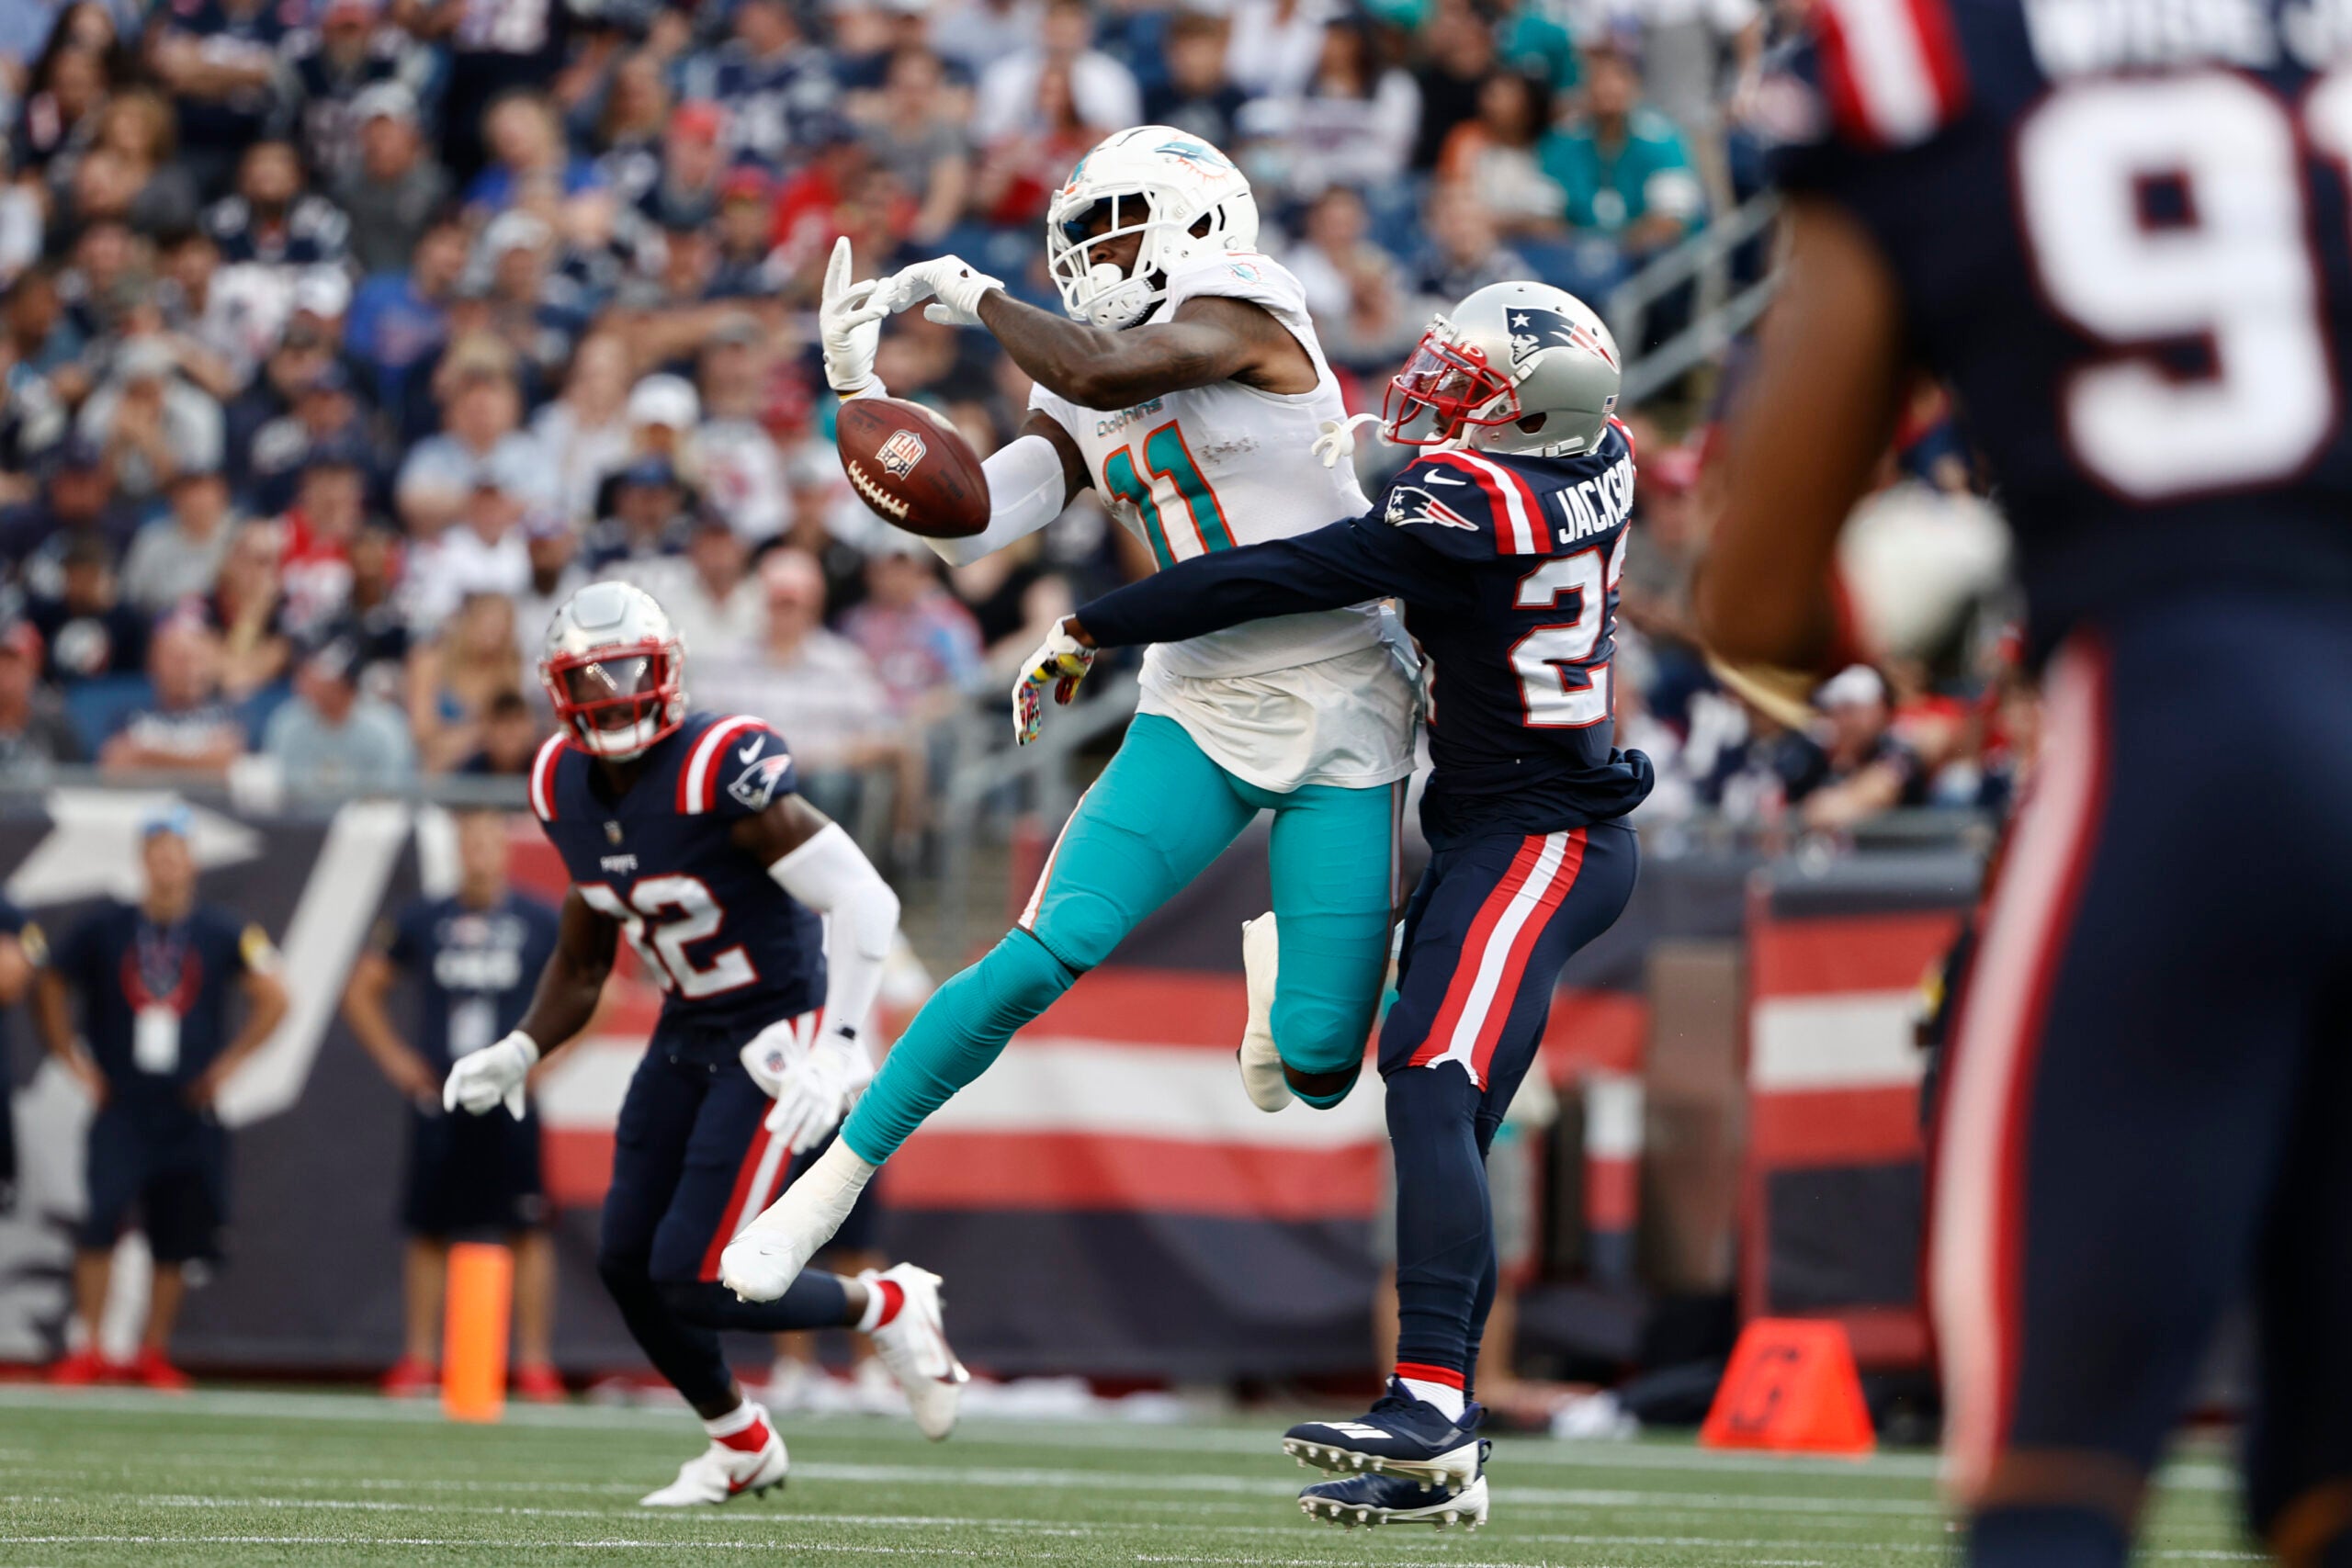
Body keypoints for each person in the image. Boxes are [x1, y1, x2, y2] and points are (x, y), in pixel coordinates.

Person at [1690, 6, 2352, 1565]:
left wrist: (1923, 603)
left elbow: (1756, 598)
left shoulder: (1912, 56)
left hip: (2184, 728)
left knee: (2054, 1468)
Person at [718, 133, 1418, 1315]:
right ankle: (821, 1190)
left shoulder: (1246, 303)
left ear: (1200, 217)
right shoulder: (1073, 376)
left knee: (1316, 1064)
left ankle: (1284, 976)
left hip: (1347, 695)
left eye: (1114, 228)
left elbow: (1102, 371)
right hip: (1197, 699)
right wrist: (859, 402)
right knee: (1041, 955)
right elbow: (973, 520)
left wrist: (976, 293)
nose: (1092, 259)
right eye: (1076, 240)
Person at [992, 281, 1646, 1529]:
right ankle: (1444, 1448)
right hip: (1492, 829)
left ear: (1532, 415)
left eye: (1473, 391)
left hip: (1543, 839)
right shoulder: (1591, 451)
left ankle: (1437, 1401)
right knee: (1436, 1110)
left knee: (1433, 1080)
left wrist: (1094, 620)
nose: (1443, 401)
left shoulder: (1480, 502)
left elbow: (1280, 574)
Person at [442, 581, 967, 1506]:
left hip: (779, 1029)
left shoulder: (719, 763)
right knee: (624, 1261)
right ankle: (740, 1443)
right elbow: (586, 941)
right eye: (589, 677)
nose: (611, 693)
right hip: (689, 1026)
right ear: (559, 688)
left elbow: (864, 898)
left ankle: (885, 1304)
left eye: (627, 671)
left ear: (668, 669)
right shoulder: (557, 779)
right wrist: (522, 1047)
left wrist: (840, 1041)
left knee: (693, 1274)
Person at [39, 807, 291, 1389]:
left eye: (176, 852)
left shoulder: (221, 929)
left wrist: (228, 1066)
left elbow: (276, 996)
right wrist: (71, 1060)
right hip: (122, 1101)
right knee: (100, 1220)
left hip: (187, 1104)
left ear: (192, 861)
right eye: (157, 852)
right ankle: (92, 1345)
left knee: (175, 1234)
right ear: (142, 860)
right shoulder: (106, 927)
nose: (167, 863)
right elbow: (51, 980)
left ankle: (152, 1350)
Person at [341, 807, 565, 1402]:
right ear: (458, 850)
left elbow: (598, 992)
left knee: (527, 1225)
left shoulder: (539, 918)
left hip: (510, 1090)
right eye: (471, 842)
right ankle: (419, 1357)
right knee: (429, 1224)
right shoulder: (424, 917)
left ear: (506, 850)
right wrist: (396, 1060)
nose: (481, 853)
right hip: (443, 1089)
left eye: (491, 841)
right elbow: (362, 988)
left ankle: (535, 1362)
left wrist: (547, 1063)